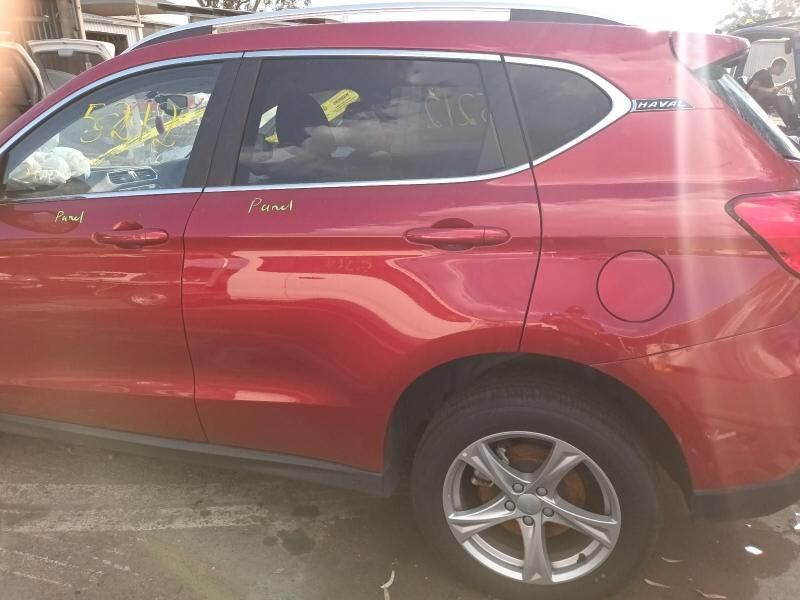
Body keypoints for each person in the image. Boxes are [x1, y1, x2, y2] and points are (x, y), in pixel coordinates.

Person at [747, 57, 799, 129]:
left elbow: (774, 91)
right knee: (783, 99)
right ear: (777, 66)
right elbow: (753, 86)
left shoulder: (769, 76)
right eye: (782, 68)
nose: (783, 71)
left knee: (782, 98)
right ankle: (794, 124)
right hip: (754, 98)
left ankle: (793, 123)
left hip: (763, 98)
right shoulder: (763, 72)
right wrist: (768, 90)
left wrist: (786, 84)